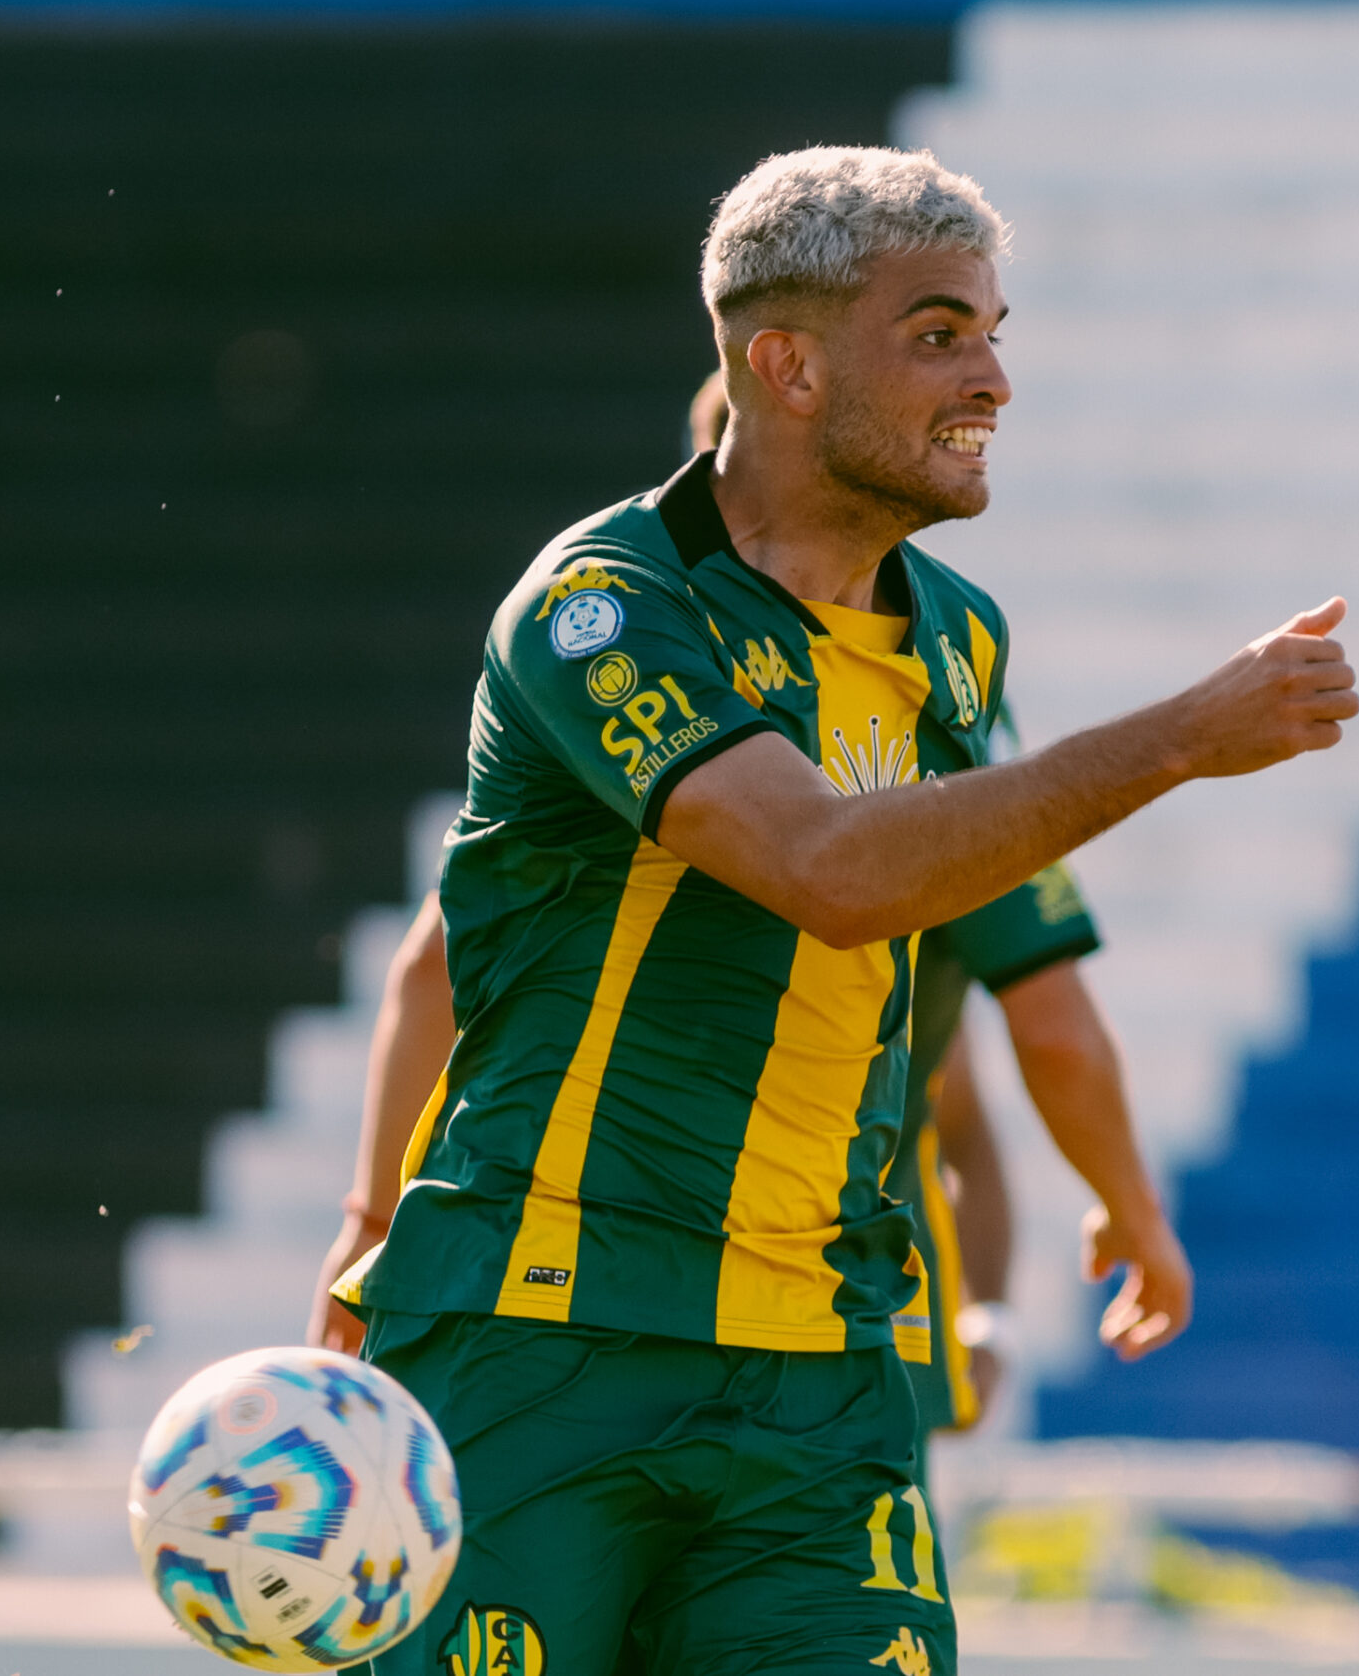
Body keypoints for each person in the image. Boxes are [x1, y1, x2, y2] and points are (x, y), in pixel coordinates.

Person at [328, 146, 1357, 1676]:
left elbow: (991, 951)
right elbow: (832, 875)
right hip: (541, 1344)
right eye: (941, 332)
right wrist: (1182, 735)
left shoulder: (957, 644)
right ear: (786, 363)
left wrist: (1121, 1201)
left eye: (998, 331)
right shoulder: (604, 607)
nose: (995, 376)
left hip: (823, 1377)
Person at [313, 379, 1191, 1466]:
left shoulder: (644, 671)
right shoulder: (934, 707)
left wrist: (372, 1218)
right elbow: (1030, 1033)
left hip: (580, 1280)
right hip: (836, 1292)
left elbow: (432, 967)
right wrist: (1123, 1208)